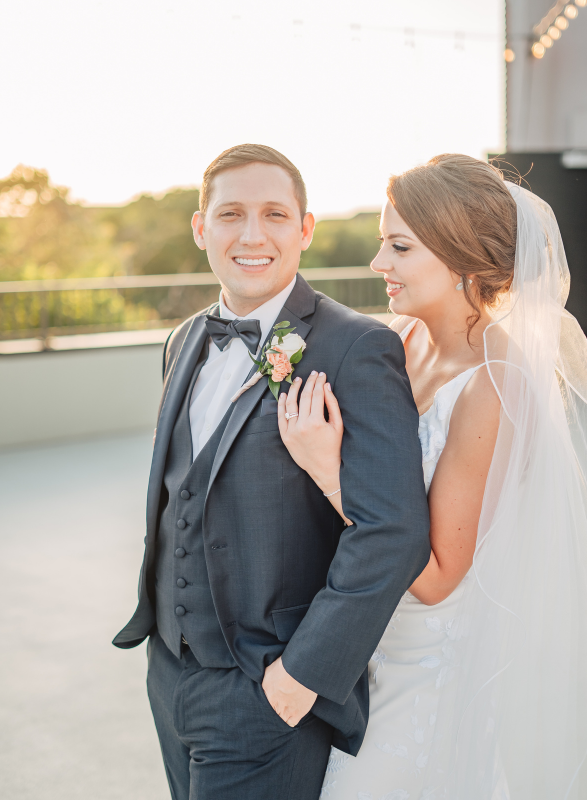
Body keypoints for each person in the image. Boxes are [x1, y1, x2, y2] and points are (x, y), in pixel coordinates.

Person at [112, 143, 431, 800]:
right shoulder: (184, 339)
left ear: (304, 229)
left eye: (274, 215)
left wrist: (301, 676)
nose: (252, 235)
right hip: (171, 675)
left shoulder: (356, 346)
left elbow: (393, 530)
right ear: (201, 228)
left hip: (269, 690)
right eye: (230, 214)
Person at [280, 154, 587, 799]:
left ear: (461, 261)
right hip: (359, 634)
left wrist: (329, 470)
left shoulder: (497, 387)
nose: (377, 264)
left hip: (424, 663)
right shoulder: (398, 339)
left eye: (398, 246)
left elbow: (442, 577)